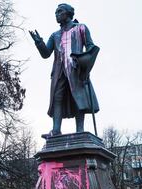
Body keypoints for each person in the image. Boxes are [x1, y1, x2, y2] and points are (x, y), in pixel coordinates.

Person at [29, 3, 100, 138]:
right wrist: (39, 43)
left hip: (75, 68)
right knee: (57, 98)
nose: (56, 15)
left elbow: (91, 47)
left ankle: (80, 130)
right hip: (59, 71)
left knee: (78, 98)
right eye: (55, 13)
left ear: (68, 13)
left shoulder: (80, 28)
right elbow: (46, 54)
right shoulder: (55, 35)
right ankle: (56, 130)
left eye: (59, 12)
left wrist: (86, 63)